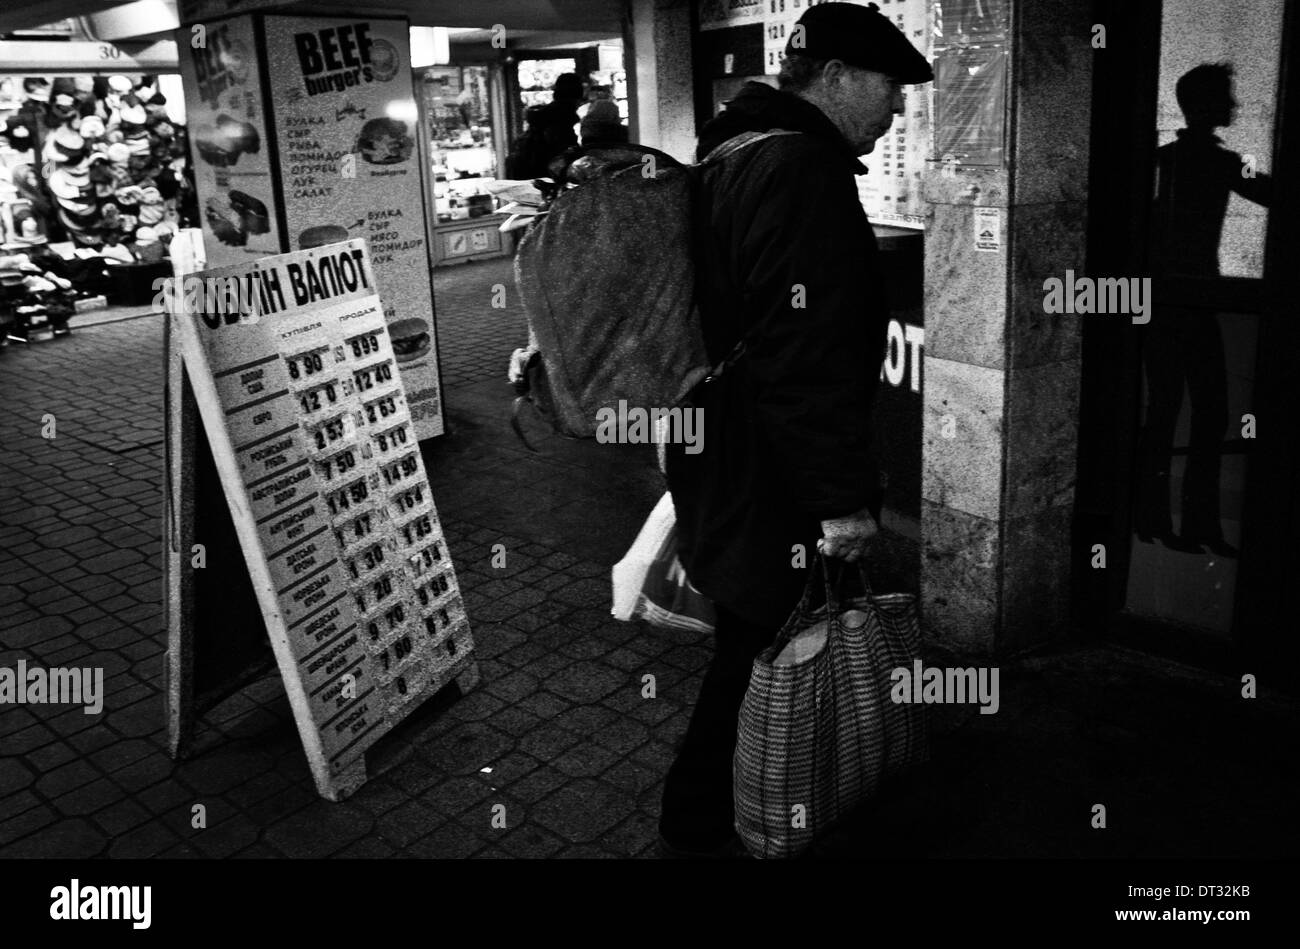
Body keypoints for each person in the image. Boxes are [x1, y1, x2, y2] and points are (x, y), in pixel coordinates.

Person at [657, 1, 932, 858]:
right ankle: (704, 826)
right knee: (761, 647)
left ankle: (727, 813)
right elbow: (803, 354)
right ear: (839, 79)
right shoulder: (801, 170)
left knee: (755, 639)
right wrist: (843, 501)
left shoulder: (732, 150)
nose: (896, 110)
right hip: (768, 466)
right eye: (889, 88)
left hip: (726, 446)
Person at [1136, 62, 1273, 557]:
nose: (1235, 106)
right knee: (1209, 413)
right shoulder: (1224, 162)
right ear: (1207, 106)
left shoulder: (1161, 160)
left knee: (1165, 409)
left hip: (1161, 301)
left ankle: (1151, 519)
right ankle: (1198, 524)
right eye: (1227, 97)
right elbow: (1271, 192)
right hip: (1196, 301)